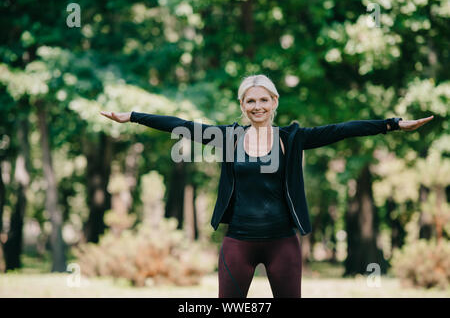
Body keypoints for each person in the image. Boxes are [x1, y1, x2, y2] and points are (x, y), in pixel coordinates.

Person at [101, 74, 434, 298]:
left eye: (263, 100)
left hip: (282, 244)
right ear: (242, 106)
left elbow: (342, 129)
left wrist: (390, 125)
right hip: (238, 244)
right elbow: (181, 125)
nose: (257, 107)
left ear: (274, 101)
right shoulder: (228, 137)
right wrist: (132, 116)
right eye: (250, 102)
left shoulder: (292, 138)